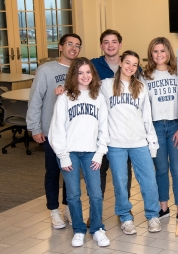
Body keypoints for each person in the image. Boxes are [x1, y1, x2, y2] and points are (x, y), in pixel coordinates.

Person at [48, 57, 110, 247]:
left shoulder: (98, 97)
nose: (85, 76)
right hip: (70, 154)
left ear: (93, 74)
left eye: (88, 72)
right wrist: (63, 156)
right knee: (73, 195)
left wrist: (100, 152)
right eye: (80, 72)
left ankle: (97, 228)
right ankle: (79, 230)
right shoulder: (65, 97)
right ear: (74, 75)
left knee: (96, 194)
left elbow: (104, 128)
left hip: (92, 153)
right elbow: (56, 129)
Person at [100, 50, 162, 234]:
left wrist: (152, 142)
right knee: (120, 181)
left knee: (149, 180)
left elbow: (147, 118)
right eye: (128, 62)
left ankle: (152, 215)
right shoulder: (106, 85)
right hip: (115, 143)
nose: (130, 67)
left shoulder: (141, 87)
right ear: (120, 62)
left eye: (135, 65)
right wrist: (63, 88)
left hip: (139, 141)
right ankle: (125, 217)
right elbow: (84, 89)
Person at [27, 33, 82, 229]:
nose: (73, 48)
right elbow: (35, 100)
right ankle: (54, 210)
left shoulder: (81, 70)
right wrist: (35, 127)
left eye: (77, 45)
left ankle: (68, 207)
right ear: (60, 47)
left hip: (74, 132)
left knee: (71, 172)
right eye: (69, 44)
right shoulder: (46, 70)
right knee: (52, 172)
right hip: (51, 132)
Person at [141, 37, 178, 228]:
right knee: (161, 170)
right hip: (155, 128)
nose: (159, 55)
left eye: (162, 51)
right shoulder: (145, 76)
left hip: (175, 126)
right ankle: (164, 207)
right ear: (150, 54)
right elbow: (143, 106)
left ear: (169, 52)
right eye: (155, 51)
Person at [90, 29, 133, 208]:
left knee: (123, 173)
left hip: (124, 130)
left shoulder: (130, 66)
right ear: (101, 46)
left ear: (120, 45)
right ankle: (95, 213)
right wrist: (62, 86)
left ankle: (124, 210)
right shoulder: (93, 65)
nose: (110, 45)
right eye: (106, 42)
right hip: (99, 128)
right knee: (98, 171)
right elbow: (77, 79)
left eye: (114, 42)